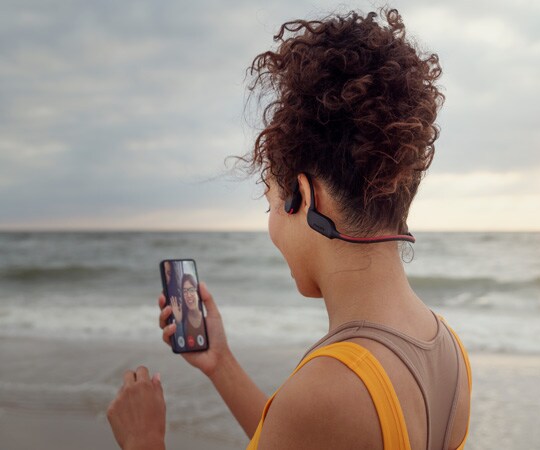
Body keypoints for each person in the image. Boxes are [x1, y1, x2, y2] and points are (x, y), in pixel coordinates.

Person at [107, 7, 472, 450]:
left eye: (271, 204)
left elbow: (306, 423)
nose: (272, 226)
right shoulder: (448, 348)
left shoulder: (328, 391)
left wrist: (143, 441)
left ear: (305, 196)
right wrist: (220, 364)